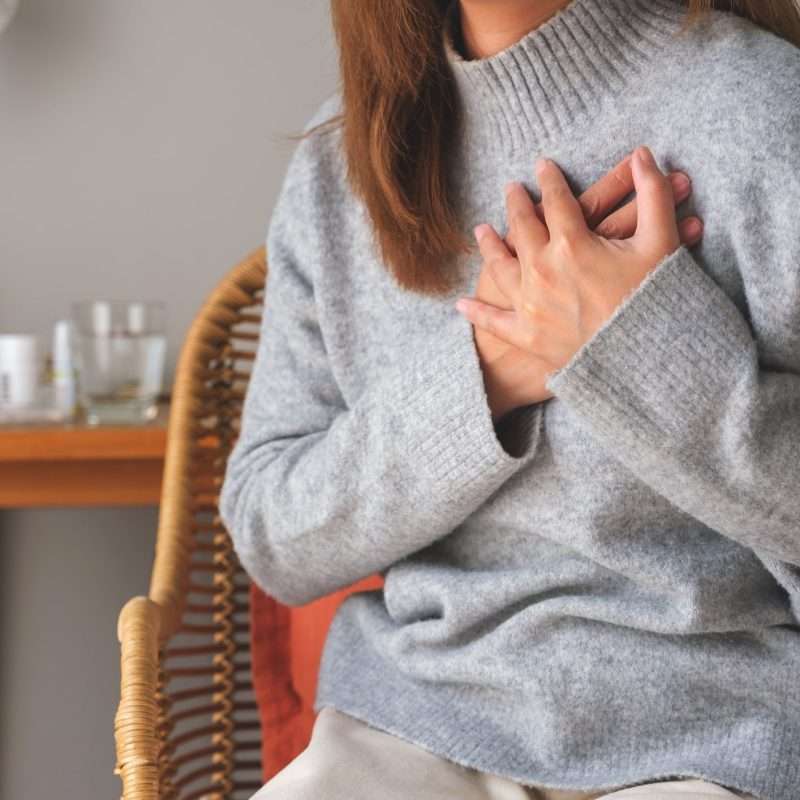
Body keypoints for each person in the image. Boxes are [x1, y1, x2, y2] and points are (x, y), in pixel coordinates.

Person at [218, 0, 800, 798]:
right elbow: (271, 532)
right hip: (412, 730)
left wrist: (640, 350)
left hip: (715, 742)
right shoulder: (342, 167)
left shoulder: (762, 106)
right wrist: (489, 370)